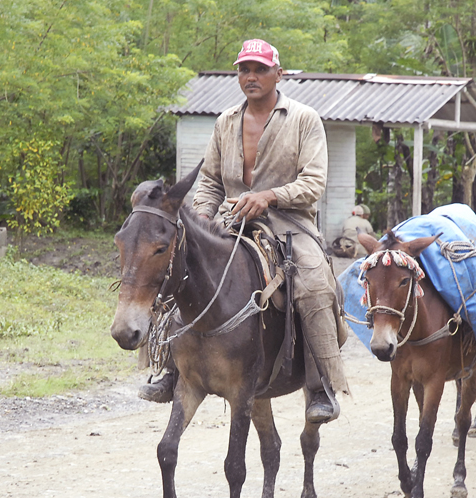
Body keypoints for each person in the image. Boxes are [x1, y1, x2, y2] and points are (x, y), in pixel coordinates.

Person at [139, 39, 350, 424]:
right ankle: (171, 369)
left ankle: (321, 386)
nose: (251, 77)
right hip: (230, 218)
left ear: (277, 74)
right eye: (244, 70)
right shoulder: (226, 121)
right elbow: (209, 181)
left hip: (290, 222)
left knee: (316, 285)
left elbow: (314, 182)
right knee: (176, 265)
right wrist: (200, 220)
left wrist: (269, 196)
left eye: (260, 69)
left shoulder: (305, 119)